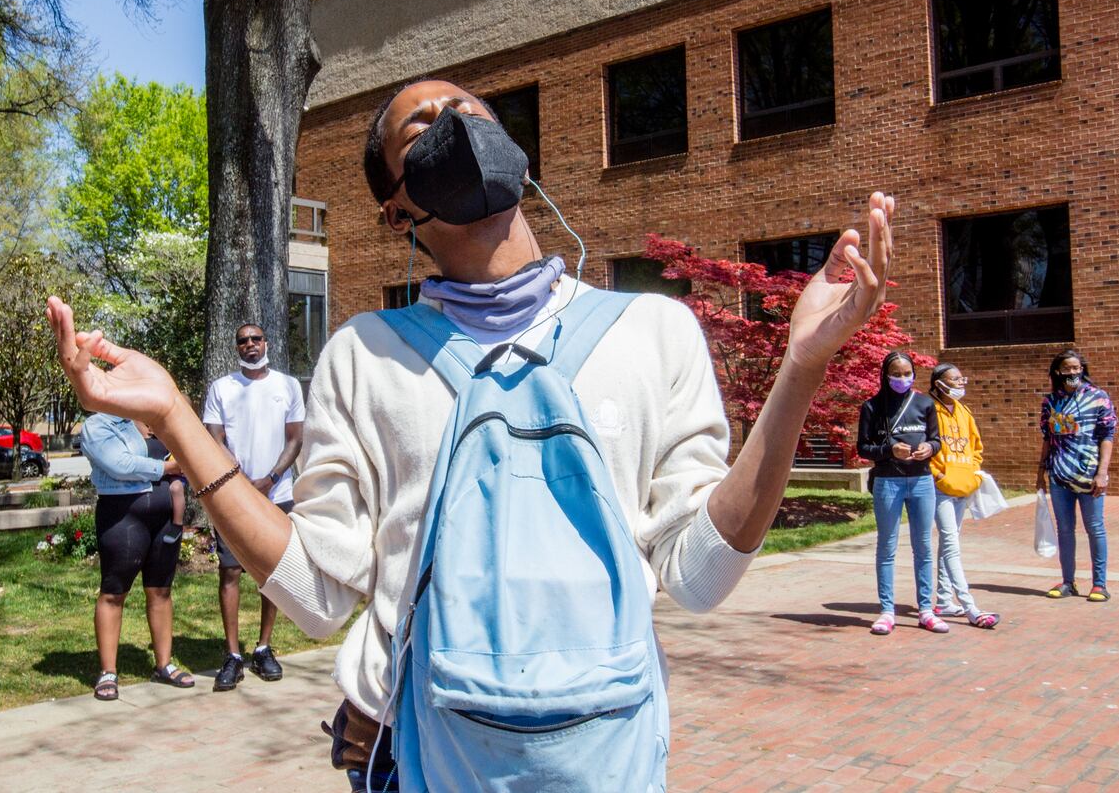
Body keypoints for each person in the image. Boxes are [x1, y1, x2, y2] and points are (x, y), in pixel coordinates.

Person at [46, 78, 895, 792]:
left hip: (606, 754)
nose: (458, 122)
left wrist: (802, 369)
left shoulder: (653, 330)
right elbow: (316, 595)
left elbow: (701, 575)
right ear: (397, 207)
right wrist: (174, 419)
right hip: (418, 758)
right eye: (425, 123)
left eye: (471, 107)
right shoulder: (364, 355)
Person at [202, 323, 305, 691]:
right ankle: (232, 655)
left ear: (267, 343)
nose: (249, 345)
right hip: (233, 496)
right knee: (230, 572)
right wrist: (240, 482)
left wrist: (272, 478)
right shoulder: (222, 388)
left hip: (277, 494)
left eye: (255, 339)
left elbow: (295, 438)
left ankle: (262, 648)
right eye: (242, 340)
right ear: (237, 347)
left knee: (272, 575)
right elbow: (214, 439)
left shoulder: (288, 386)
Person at [80, 411, 195, 699]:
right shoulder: (98, 425)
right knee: (113, 592)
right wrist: (169, 468)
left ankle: (164, 664)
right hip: (123, 518)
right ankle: (108, 672)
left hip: (165, 517)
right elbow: (121, 465)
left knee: (161, 590)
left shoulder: (155, 418)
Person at [856, 350, 945, 636]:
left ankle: (926, 610)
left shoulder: (924, 403)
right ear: (885, 375)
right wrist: (888, 451)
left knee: (923, 546)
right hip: (888, 481)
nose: (902, 379)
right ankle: (886, 611)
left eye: (907, 374)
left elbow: (936, 440)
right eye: (896, 374)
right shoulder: (872, 406)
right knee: (887, 546)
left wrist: (930, 449)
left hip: (921, 480)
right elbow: (863, 448)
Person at [1036, 349, 1117, 602]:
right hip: (1059, 475)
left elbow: (1107, 436)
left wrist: (1102, 472)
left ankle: (1099, 584)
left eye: (1076, 368)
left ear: (1082, 369)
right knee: (1065, 529)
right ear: (1058, 372)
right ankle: (1068, 582)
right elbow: (1048, 439)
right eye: (1067, 369)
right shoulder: (1051, 402)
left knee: (1095, 528)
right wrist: (1040, 472)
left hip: (1088, 475)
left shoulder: (1098, 398)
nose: (1072, 373)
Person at [927, 363, 999, 629]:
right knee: (950, 541)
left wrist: (974, 472)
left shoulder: (963, 411)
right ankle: (969, 606)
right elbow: (924, 446)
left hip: (964, 484)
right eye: (954, 379)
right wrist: (938, 475)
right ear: (938, 383)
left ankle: (944, 600)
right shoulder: (927, 409)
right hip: (940, 487)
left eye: (961, 379)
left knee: (951, 540)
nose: (960, 383)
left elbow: (975, 444)